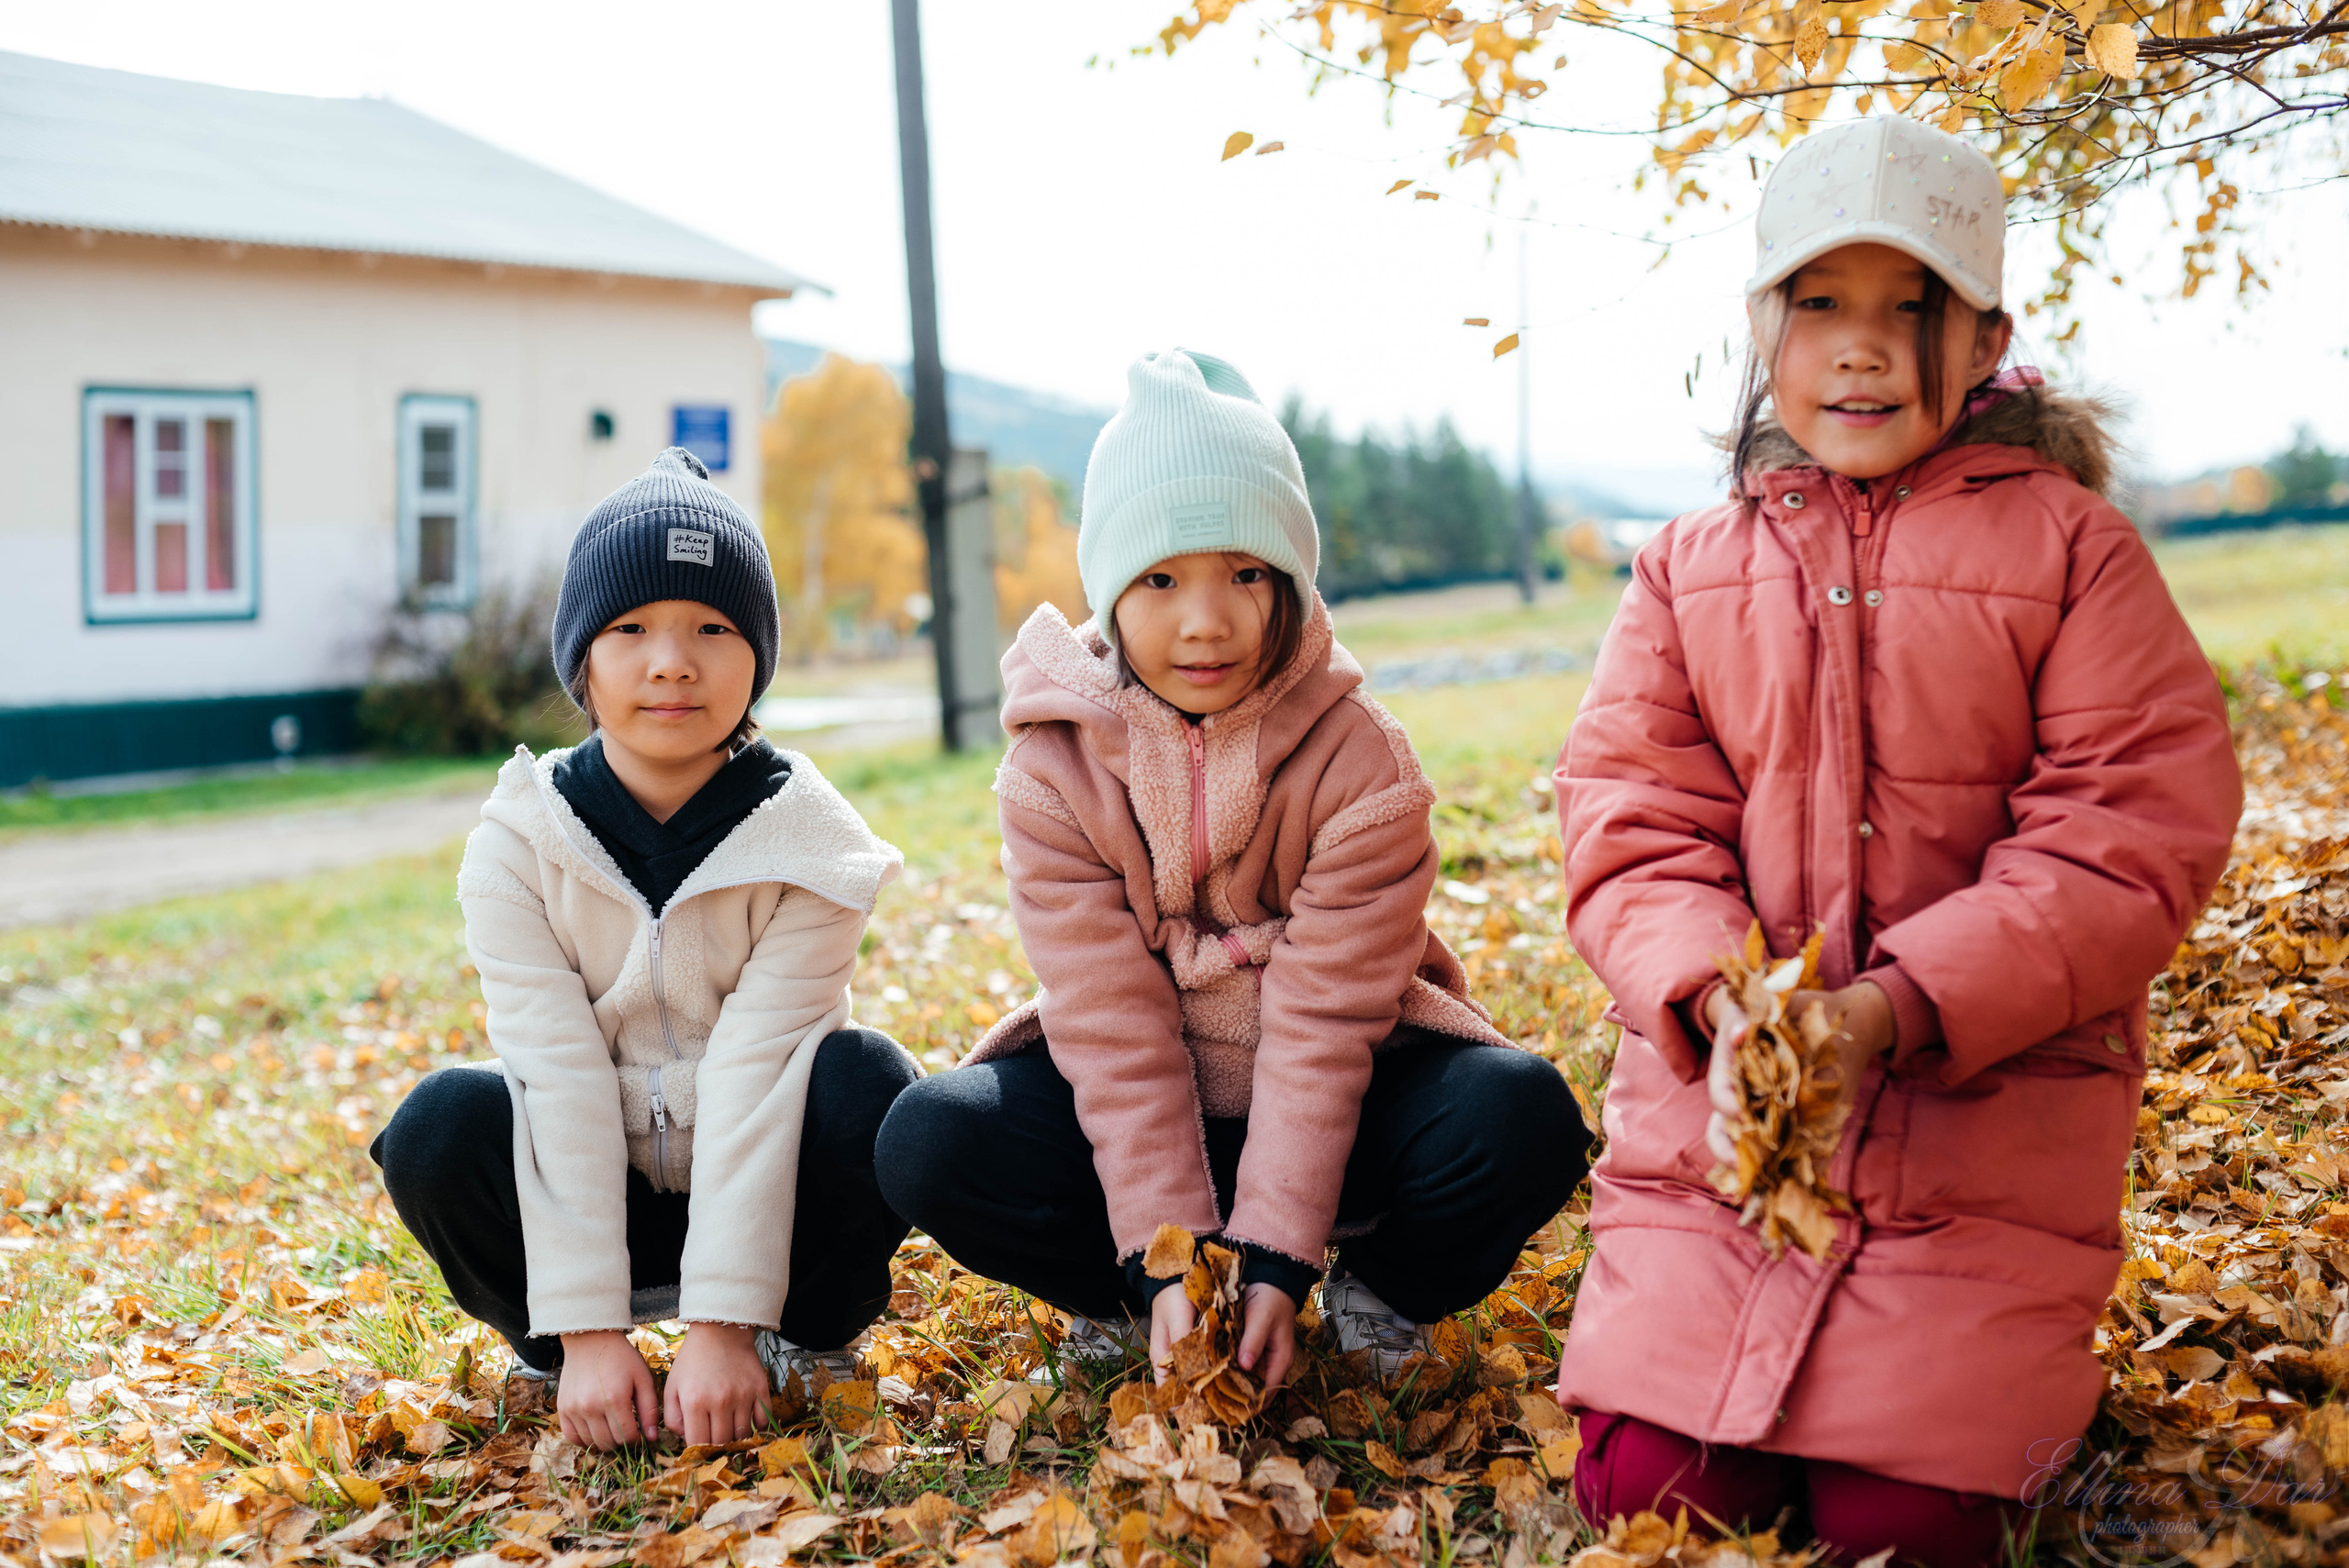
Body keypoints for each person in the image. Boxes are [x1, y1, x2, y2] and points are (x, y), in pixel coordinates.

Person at [1552, 119, 2243, 1566]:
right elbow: (1632, 818)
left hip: (1978, 1129)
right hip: (1727, 1136)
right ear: (1762, 327)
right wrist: (1706, 991)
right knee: (1650, 1498)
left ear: (1987, 334)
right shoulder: (1687, 571)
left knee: (1904, 1526)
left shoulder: (2071, 551)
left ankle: (1970, 1426)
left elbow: (2126, 828)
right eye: (1821, 306)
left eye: (1908, 309)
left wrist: (1900, 1005)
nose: (1860, 351)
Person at [875, 349, 1588, 1389]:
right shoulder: (1051, 769)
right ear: (1110, 591)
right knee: (931, 1140)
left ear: (1291, 582)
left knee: (1520, 1113)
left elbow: (1327, 1019)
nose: (1204, 619)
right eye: (1160, 579)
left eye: (1245, 573)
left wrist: (1276, 1261)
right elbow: (1109, 1025)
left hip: (1346, 1095)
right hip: (1154, 1098)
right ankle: (1135, 1299)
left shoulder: (1362, 760)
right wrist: (1171, 1259)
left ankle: (1377, 1290)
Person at [371, 448, 916, 1452]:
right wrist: (587, 1327)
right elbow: (556, 1070)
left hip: (762, 1185)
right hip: (589, 1188)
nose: (672, 661)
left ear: (757, 657)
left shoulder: (811, 840)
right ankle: (554, 1353)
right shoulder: (519, 843)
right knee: (441, 1121)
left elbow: (761, 1073)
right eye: (631, 630)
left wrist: (721, 1326)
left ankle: (800, 1333)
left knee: (868, 1079)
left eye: (713, 629)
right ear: (582, 657)